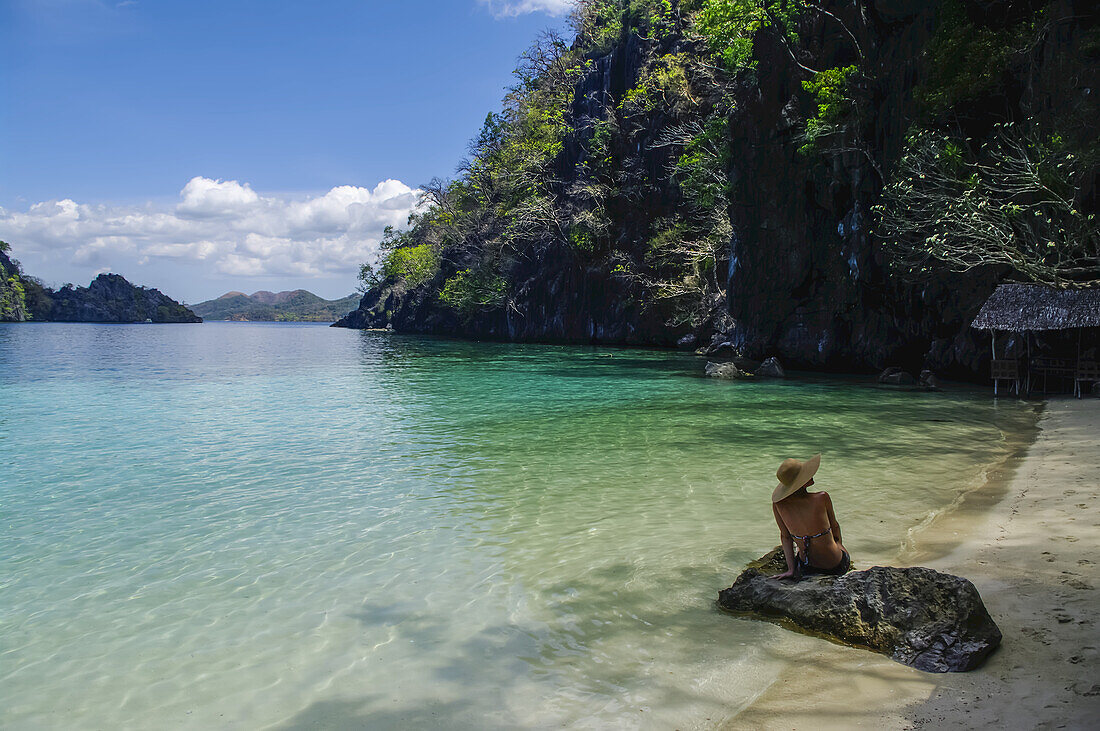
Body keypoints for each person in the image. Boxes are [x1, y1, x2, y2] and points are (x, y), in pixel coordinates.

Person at [769, 454, 851, 580]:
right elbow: (834, 526)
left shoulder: (778, 505)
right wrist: (838, 544)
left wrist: (791, 570)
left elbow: (785, 537)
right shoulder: (822, 497)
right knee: (837, 546)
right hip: (836, 566)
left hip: (807, 568)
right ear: (801, 483)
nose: (810, 474)